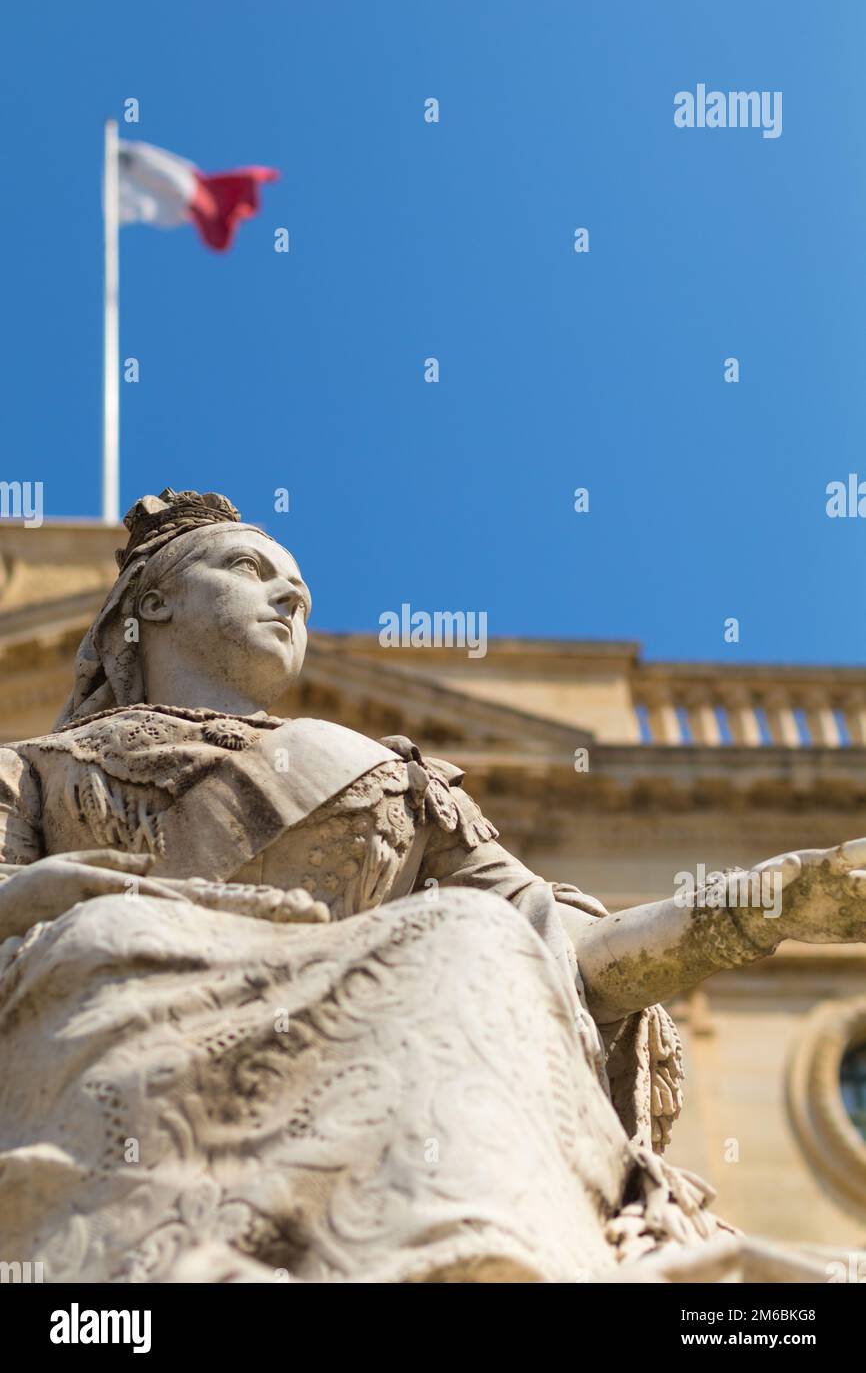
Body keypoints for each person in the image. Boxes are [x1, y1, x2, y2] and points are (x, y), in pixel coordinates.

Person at [0, 488, 862, 1283]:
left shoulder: (396, 790)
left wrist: (762, 903)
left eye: (298, 587)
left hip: (364, 1074)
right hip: (112, 1022)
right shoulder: (33, 776)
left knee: (473, 934)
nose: (290, 598)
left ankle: (472, 1256)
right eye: (249, 570)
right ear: (153, 603)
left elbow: (563, 955)